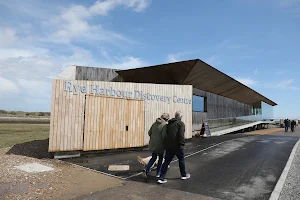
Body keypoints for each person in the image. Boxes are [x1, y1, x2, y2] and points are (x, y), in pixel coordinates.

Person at [158, 111, 190, 184]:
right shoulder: (180, 123)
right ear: (180, 117)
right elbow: (181, 135)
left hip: (169, 146)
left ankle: (161, 177)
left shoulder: (169, 123)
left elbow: (166, 134)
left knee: (166, 162)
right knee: (181, 160)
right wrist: (182, 144)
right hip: (177, 146)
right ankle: (183, 175)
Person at [143, 113, 169, 178]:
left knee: (153, 157)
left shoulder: (154, 123)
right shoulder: (165, 125)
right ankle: (158, 173)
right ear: (166, 119)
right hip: (160, 145)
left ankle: (146, 169)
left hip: (153, 144)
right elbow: (164, 136)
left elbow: (149, 133)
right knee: (160, 159)